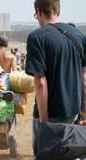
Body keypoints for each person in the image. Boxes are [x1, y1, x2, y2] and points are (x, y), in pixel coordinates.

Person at [25, 0, 86, 156]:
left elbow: (40, 83)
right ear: (57, 9)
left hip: (50, 114)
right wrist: (84, 113)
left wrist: (44, 122)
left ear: (39, 12)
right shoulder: (79, 36)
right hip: (73, 112)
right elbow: (84, 78)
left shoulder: (37, 37)